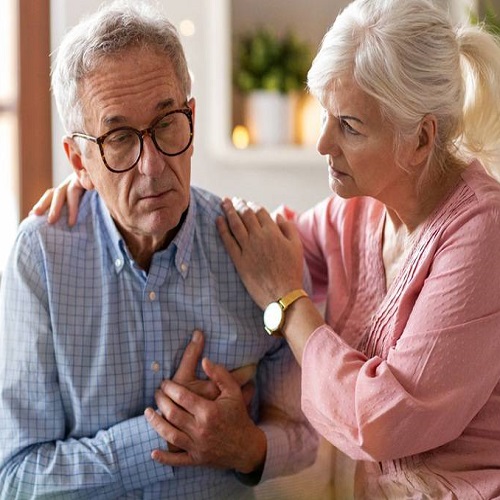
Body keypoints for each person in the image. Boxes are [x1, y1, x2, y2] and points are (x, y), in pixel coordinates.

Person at [30, 0, 500, 497]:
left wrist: (288, 304)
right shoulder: (359, 212)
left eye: (350, 125)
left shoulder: (484, 232)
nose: (321, 142)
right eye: (324, 113)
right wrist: (100, 182)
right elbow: (252, 238)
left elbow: (382, 425)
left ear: (421, 138)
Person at [0, 2, 318, 499]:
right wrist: (164, 434)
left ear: (190, 118)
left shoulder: (256, 250)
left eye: (167, 122)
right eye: (120, 138)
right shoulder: (40, 257)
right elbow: (16, 477)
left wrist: (248, 447)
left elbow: (307, 435)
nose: (151, 166)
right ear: (78, 161)